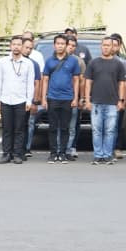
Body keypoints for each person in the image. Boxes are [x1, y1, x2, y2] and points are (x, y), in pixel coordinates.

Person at [83, 36, 126, 165]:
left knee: (109, 130)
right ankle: (98, 155)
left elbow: (122, 84)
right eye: (104, 45)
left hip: (112, 103)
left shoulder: (118, 63)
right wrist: (87, 100)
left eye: (109, 45)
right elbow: (87, 83)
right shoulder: (93, 63)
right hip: (96, 103)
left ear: (112, 47)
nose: (106, 47)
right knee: (97, 131)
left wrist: (121, 100)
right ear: (101, 46)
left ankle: (107, 155)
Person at [0, 36, 36, 164]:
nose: (16, 47)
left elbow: (30, 83)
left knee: (19, 129)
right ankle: (6, 153)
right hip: (6, 99)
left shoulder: (28, 63)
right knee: (7, 129)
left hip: (21, 100)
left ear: (22, 47)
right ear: (10, 46)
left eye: (19, 45)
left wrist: (29, 101)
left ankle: (18, 154)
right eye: (14, 44)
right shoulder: (2, 62)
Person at [42, 34, 82, 163]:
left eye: (62, 44)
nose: (60, 46)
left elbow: (76, 80)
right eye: (57, 43)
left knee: (65, 128)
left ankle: (63, 153)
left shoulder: (73, 61)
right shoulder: (49, 61)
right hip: (52, 98)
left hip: (67, 98)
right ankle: (53, 153)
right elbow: (45, 80)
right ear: (54, 45)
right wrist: (43, 98)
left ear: (66, 46)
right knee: (53, 127)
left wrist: (75, 98)